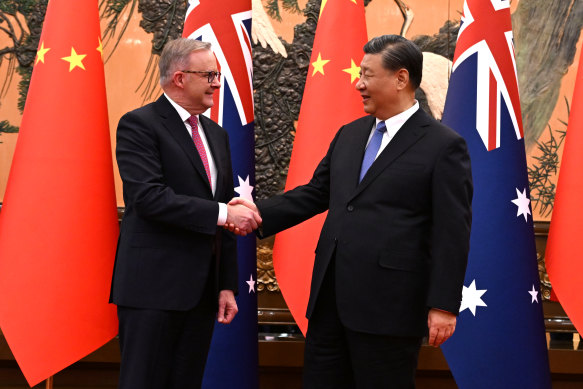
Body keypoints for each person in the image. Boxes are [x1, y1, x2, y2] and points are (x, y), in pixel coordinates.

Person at [231, 35, 473, 388]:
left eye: (367, 75)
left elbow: (453, 231)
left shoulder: (444, 146)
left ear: (401, 79)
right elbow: (316, 193)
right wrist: (256, 214)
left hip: (390, 309)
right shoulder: (350, 134)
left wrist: (443, 305)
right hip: (330, 301)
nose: (358, 84)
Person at [110, 38, 261, 389]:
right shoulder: (139, 125)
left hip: (201, 293)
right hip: (152, 290)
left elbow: (221, 208)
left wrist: (225, 285)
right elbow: (148, 198)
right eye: (210, 74)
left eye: (217, 75)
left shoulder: (216, 134)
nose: (216, 83)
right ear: (180, 78)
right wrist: (225, 213)